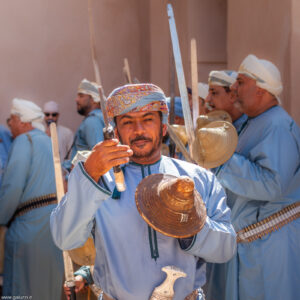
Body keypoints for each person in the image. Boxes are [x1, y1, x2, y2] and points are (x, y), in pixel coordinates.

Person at [50, 83, 236, 300]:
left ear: (163, 127)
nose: (138, 130)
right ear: (115, 132)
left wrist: (189, 225)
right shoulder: (100, 181)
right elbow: (64, 238)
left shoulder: (196, 179)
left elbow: (226, 248)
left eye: (148, 119)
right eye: (128, 122)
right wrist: (90, 175)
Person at [206, 55, 300, 300]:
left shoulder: (277, 126)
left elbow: (272, 184)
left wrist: (222, 158)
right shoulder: (257, 123)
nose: (234, 88)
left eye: (240, 82)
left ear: (260, 90)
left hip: (270, 246)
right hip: (253, 245)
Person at [0, 98, 64, 299]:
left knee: (21, 292)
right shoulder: (48, 141)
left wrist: (1, 218)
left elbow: (13, 186)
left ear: (23, 121)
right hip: (53, 231)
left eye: (12, 119)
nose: (9, 123)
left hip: (28, 233)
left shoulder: (24, 140)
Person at [66, 79, 105, 168]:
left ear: (94, 99)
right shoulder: (98, 118)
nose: (76, 99)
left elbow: (98, 156)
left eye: (81, 96)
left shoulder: (92, 121)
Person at [205, 70, 248, 134]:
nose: (207, 99)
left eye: (214, 93)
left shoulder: (249, 127)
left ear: (232, 96)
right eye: (209, 93)